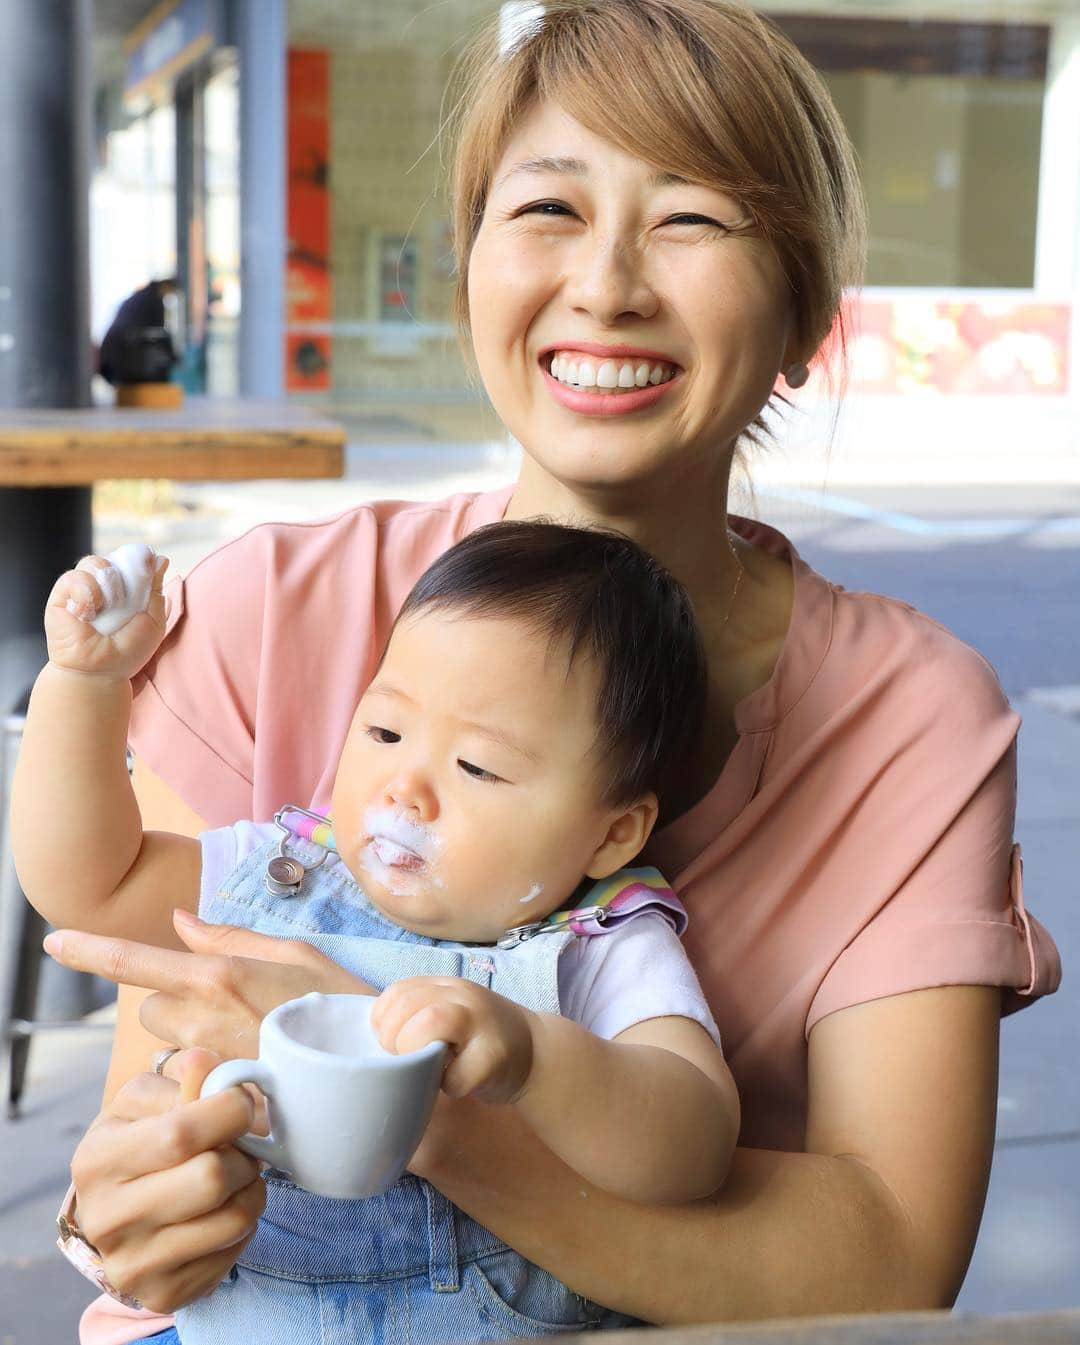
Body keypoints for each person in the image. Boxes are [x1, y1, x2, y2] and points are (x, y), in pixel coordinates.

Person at [33, 1, 1060, 1341]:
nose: (609, 285)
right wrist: (119, 1208)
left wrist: (428, 1112)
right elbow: (147, 1084)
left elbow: (886, 1255)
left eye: (692, 218)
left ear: (807, 312)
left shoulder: (909, 716)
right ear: (471, 270)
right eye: (549, 211)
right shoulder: (271, 610)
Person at [15, 522, 740, 1344]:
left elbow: (692, 1145)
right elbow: (88, 883)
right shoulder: (280, 869)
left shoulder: (602, 940)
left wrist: (536, 1057)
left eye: (479, 768)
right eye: (386, 732)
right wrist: (83, 683)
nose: (406, 787)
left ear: (612, 833)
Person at [97, 277, 178, 386]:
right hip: (122, 354)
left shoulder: (140, 296)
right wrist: (172, 355)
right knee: (162, 343)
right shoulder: (153, 300)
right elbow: (159, 331)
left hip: (111, 353)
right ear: (167, 287)